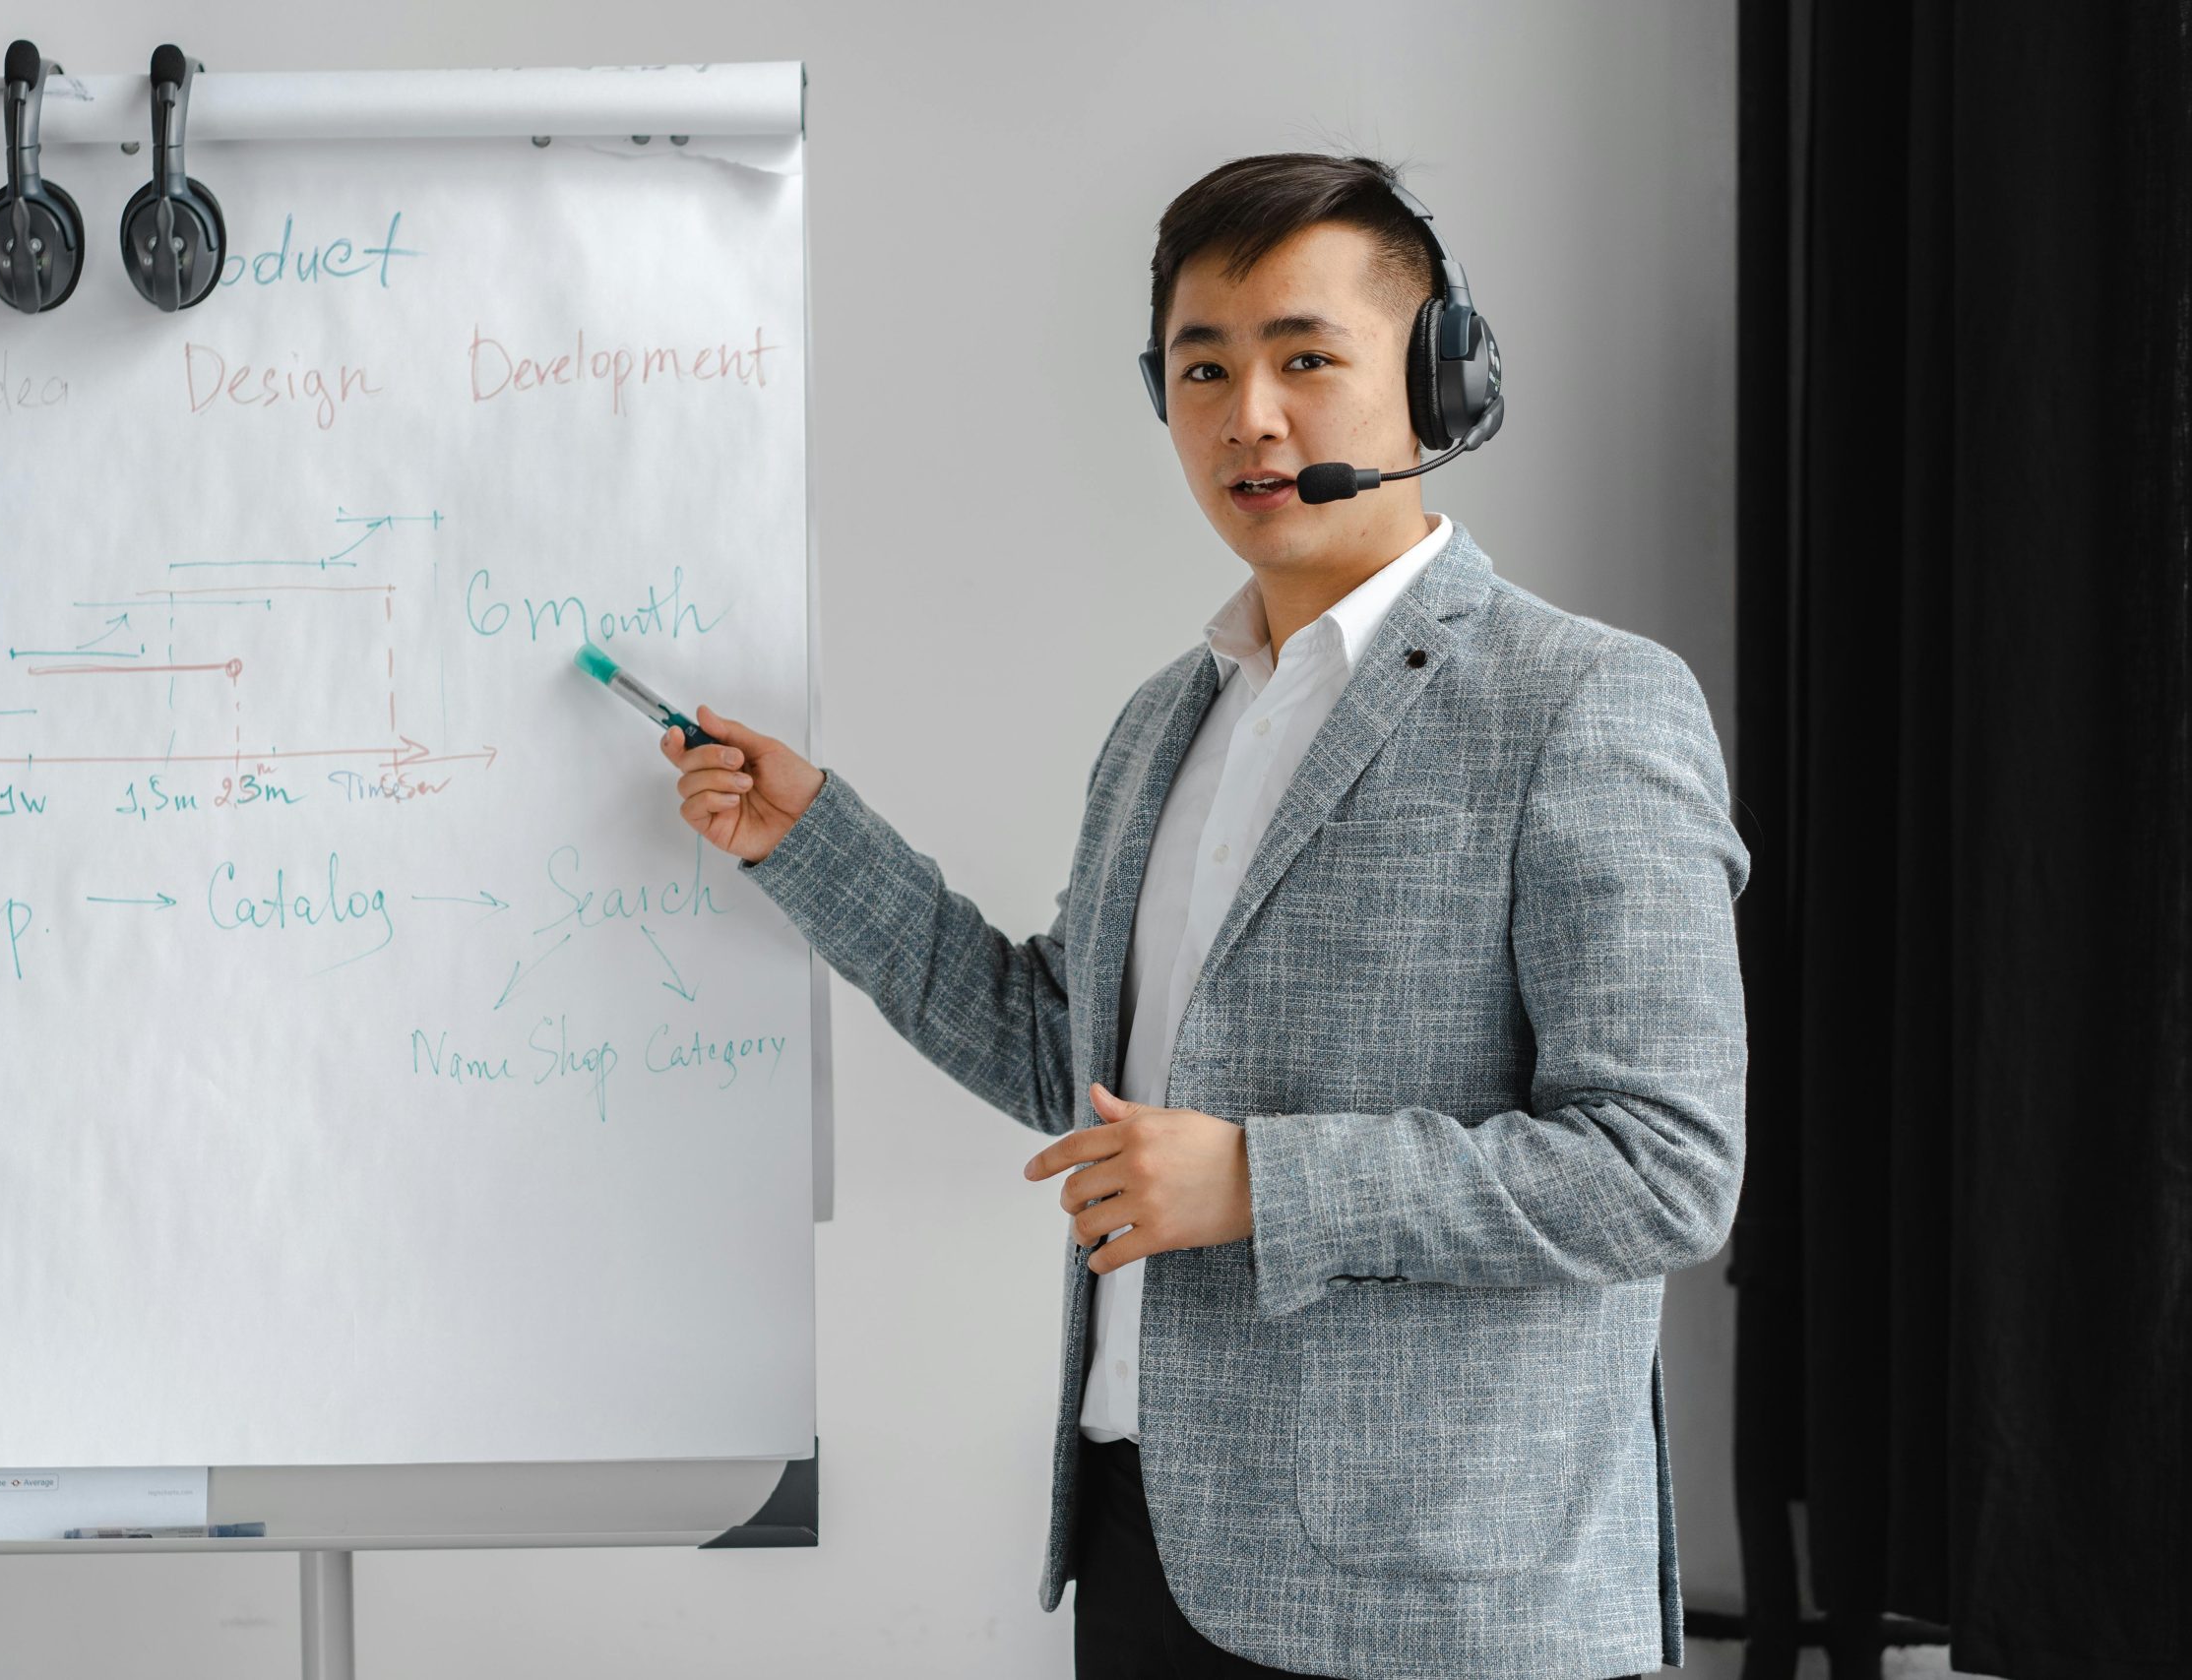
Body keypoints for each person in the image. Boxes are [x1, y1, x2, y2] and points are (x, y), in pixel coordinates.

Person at [658, 153, 1747, 1680]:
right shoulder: (1165, 724)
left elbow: (1663, 1170)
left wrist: (1260, 1183)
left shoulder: (1584, 703)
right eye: (1204, 368)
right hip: (1150, 1540)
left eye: (1307, 358)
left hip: (1443, 1605)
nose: (1251, 417)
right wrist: (811, 843)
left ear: (1438, 383)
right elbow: (1064, 1054)